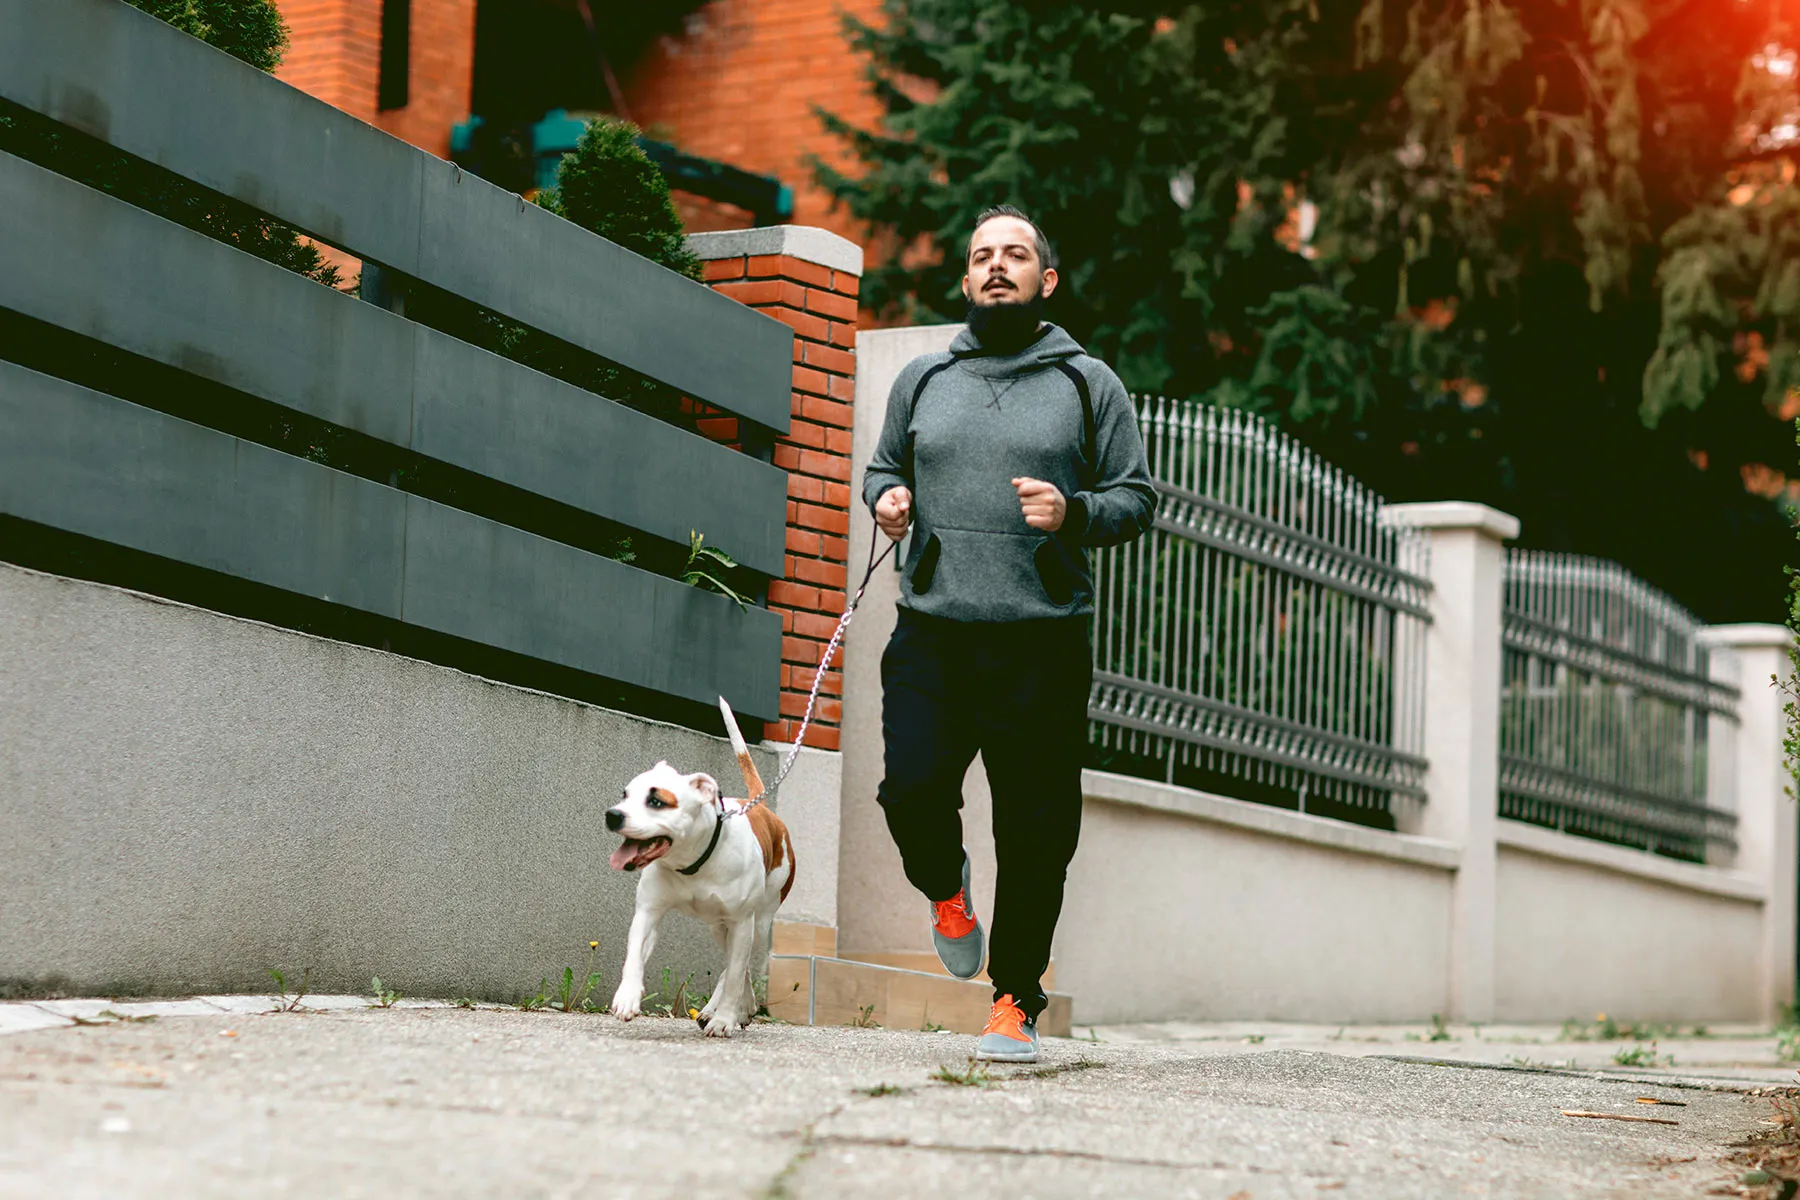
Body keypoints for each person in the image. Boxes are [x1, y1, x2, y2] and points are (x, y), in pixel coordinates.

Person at [862, 206, 1156, 1062]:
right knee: (910, 791)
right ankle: (946, 892)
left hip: (1042, 642)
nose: (998, 267)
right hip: (932, 632)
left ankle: (1014, 1002)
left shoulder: (1087, 382)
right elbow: (886, 465)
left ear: (1045, 279)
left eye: (1016, 255)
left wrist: (1073, 512)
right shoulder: (922, 379)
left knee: (1035, 834)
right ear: (965, 281)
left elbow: (1135, 499)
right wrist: (886, 499)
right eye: (983, 256)